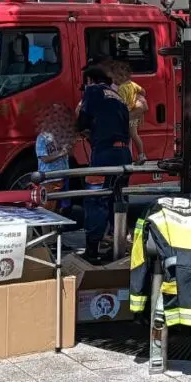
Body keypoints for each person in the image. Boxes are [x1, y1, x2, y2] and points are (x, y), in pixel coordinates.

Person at [77, 65, 132, 264]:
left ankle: (92, 250)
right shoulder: (118, 97)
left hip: (105, 154)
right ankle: (118, 246)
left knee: (95, 198)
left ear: (90, 80)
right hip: (124, 154)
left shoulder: (93, 91)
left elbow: (81, 122)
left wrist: (82, 129)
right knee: (116, 198)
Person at [109, 60, 148, 163]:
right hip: (133, 115)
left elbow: (120, 103)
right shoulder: (132, 84)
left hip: (125, 116)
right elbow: (143, 91)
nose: (114, 79)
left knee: (127, 137)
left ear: (123, 76)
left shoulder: (120, 88)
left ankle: (134, 156)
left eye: (116, 76)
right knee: (133, 135)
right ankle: (140, 155)